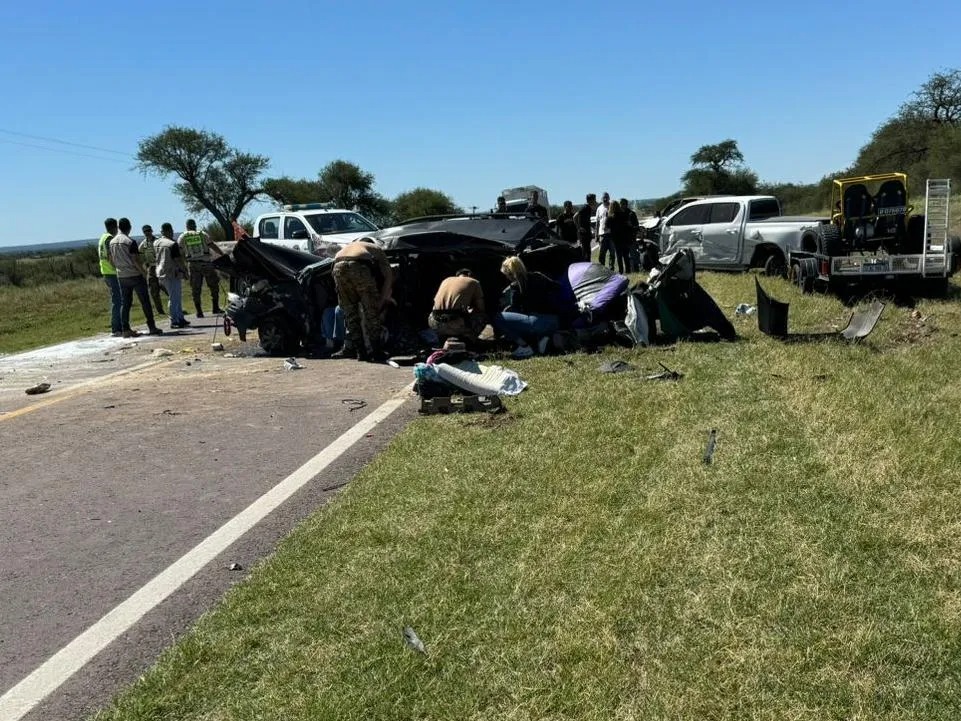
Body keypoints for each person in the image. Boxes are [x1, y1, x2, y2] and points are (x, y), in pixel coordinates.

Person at [331, 238, 393, 361]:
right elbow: (388, 275)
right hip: (357, 266)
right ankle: (376, 352)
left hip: (337, 266)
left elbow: (332, 272)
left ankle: (360, 352)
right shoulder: (376, 248)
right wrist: (380, 301)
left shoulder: (349, 246)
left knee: (351, 314)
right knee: (371, 312)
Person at [493, 256, 561, 359]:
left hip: (537, 322)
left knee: (499, 318)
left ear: (510, 274)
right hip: (554, 321)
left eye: (506, 275)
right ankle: (544, 337)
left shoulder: (515, 286)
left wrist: (505, 308)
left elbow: (515, 309)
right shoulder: (538, 275)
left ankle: (524, 346)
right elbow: (557, 287)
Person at [108, 218, 163, 337]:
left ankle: (125, 329)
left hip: (121, 276)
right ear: (129, 227)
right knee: (145, 301)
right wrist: (144, 273)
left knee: (125, 303)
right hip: (134, 274)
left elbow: (111, 260)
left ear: (119, 227)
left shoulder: (112, 242)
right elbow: (136, 260)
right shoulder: (129, 241)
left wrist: (118, 268)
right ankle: (151, 326)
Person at [178, 219, 222, 317]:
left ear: (187, 226)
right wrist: (222, 254)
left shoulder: (183, 236)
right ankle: (215, 308)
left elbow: (179, 251)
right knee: (214, 286)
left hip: (193, 264)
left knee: (195, 288)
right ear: (195, 225)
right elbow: (212, 245)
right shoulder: (202, 234)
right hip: (206, 263)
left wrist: (182, 264)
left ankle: (199, 311)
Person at [428, 268, 487, 342]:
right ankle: (469, 340)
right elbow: (481, 308)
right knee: (483, 316)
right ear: (469, 275)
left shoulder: (446, 280)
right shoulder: (474, 282)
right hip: (456, 325)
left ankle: (443, 338)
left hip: (435, 322)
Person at [155, 222, 190, 329]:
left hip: (160, 272)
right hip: (171, 272)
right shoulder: (172, 244)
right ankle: (174, 320)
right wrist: (185, 271)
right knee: (174, 297)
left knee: (176, 296)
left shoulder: (156, 242)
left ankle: (180, 318)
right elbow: (178, 260)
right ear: (170, 231)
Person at [98, 217, 122, 337]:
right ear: (115, 227)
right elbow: (110, 256)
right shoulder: (109, 238)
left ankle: (118, 326)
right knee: (118, 300)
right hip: (112, 272)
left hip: (105, 271)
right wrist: (117, 268)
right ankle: (117, 327)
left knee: (117, 299)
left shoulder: (102, 238)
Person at [139, 224, 166, 316]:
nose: (147, 233)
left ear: (151, 231)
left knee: (168, 289)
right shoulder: (144, 243)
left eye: (148, 231)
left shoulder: (158, 240)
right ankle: (160, 311)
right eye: (145, 231)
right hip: (151, 268)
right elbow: (139, 254)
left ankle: (175, 307)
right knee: (154, 292)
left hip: (161, 267)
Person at [608, 200, 631, 275]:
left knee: (619, 255)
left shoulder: (610, 217)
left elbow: (606, 227)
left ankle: (621, 270)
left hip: (615, 238)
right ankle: (628, 270)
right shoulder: (623, 215)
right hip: (624, 237)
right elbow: (628, 225)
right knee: (626, 255)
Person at [621, 199, 641, 272]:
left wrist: (631, 225)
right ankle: (628, 270)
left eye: (623, 204)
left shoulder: (631, 214)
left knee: (633, 255)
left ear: (626, 204)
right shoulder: (619, 215)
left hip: (631, 238)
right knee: (625, 256)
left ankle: (636, 270)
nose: (621, 206)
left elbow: (637, 226)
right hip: (622, 239)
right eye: (621, 204)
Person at [575, 193, 597, 260]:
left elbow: (587, 220)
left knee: (588, 251)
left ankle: (588, 264)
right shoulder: (584, 207)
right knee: (585, 252)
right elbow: (574, 217)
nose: (595, 201)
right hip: (584, 234)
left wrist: (591, 228)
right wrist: (579, 228)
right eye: (594, 200)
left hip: (587, 232)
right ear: (589, 200)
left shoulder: (589, 208)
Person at [595, 192, 613, 270]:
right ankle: (602, 269)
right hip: (602, 234)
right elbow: (597, 222)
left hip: (611, 234)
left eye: (606, 197)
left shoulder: (612, 207)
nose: (605, 199)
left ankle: (611, 269)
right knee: (602, 254)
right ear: (602, 199)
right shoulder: (599, 208)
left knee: (612, 253)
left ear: (609, 198)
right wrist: (596, 235)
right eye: (604, 198)